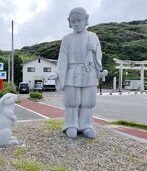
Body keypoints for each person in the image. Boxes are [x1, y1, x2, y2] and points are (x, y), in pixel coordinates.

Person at [46, 7, 107, 139]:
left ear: (86, 19)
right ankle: (70, 124)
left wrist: (95, 50)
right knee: (72, 101)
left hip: (89, 71)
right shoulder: (67, 39)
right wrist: (57, 73)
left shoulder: (93, 37)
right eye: (74, 21)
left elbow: (99, 55)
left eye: (79, 20)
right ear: (69, 22)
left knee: (88, 101)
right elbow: (63, 57)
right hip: (72, 72)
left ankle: (86, 125)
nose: (77, 24)